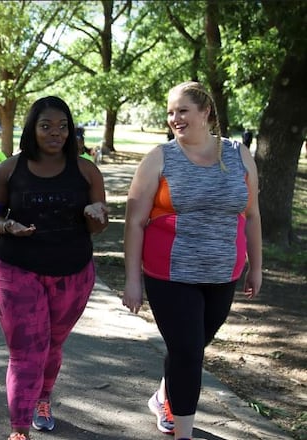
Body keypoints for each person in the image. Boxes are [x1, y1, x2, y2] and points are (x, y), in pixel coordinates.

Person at [122, 81, 262, 440]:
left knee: (192, 346)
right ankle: (182, 432)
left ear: (206, 113)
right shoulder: (160, 158)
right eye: (170, 112)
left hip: (223, 273)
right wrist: (133, 279)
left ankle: (163, 395)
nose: (174, 118)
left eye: (182, 110)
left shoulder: (238, 153)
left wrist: (256, 267)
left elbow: (252, 214)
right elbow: (135, 221)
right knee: (187, 352)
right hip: (170, 273)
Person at [0, 96, 108, 440]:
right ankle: (19, 429)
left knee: (51, 346)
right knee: (26, 352)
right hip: (15, 271)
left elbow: (99, 224)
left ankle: (43, 399)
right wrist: (8, 226)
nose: (56, 133)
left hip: (72, 274)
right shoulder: (9, 168)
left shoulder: (86, 170)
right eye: (46, 126)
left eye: (62, 126)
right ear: (32, 129)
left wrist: (94, 216)